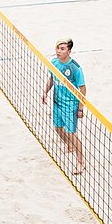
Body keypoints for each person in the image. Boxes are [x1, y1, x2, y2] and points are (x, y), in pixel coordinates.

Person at [41, 38, 87, 174]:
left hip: (70, 105)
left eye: (62, 49)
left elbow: (83, 89)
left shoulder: (75, 68)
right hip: (57, 102)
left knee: (71, 133)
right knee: (58, 128)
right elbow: (51, 78)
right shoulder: (54, 63)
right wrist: (45, 92)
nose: (58, 51)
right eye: (57, 48)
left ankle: (81, 163)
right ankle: (70, 146)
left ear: (69, 51)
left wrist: (80, 108)